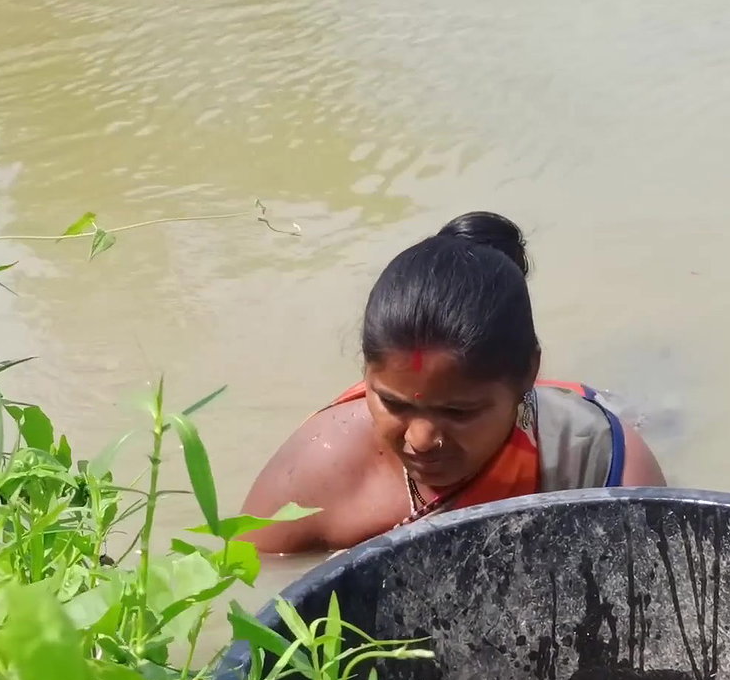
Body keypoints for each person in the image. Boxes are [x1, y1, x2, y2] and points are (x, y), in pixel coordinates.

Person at [242, 211, 666, 554]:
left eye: (458, 412)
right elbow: (244, 594)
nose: (422, 440)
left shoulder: (599, 466)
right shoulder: (313, 479)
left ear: (527, 374)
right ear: (367, 376)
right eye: (394, 404)